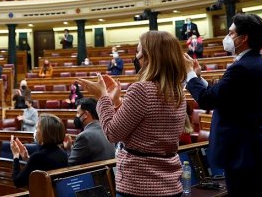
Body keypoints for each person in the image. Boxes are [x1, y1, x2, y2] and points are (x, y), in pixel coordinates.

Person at [80, 30, 188, 196]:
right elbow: (140, 129)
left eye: (138, 52)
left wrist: (102, 97)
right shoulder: (177, 92)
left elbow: (112, 133)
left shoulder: (141, 90)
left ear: (149, 57)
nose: (136, 57)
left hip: (139, 185)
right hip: (170, 184)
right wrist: (116, 102)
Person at [184, 14, 262, 196]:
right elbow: (222, 95)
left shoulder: (242, 67)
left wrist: (189, 75)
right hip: (249, 149)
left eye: (231, 33)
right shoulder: (253, 62)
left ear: (244, 37)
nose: (228, 37)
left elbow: (208, 100)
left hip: (242, 151)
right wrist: (198, 78)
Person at [11, 113, 68, 188]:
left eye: (37, 128)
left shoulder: (38, 157)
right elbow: (42, 165)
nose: (35, 131)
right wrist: (27, 158)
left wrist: (16, 155)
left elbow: (17, 182)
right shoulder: (63, 154)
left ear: (45, 133)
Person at [62, 98, 115, 166]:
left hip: (93, 176)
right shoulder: (106, 130)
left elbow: (70, 165)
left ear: (85, 114)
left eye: (78, 113)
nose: (76, 116)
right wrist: (70, 147)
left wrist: (68, 150)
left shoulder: (84, 136)